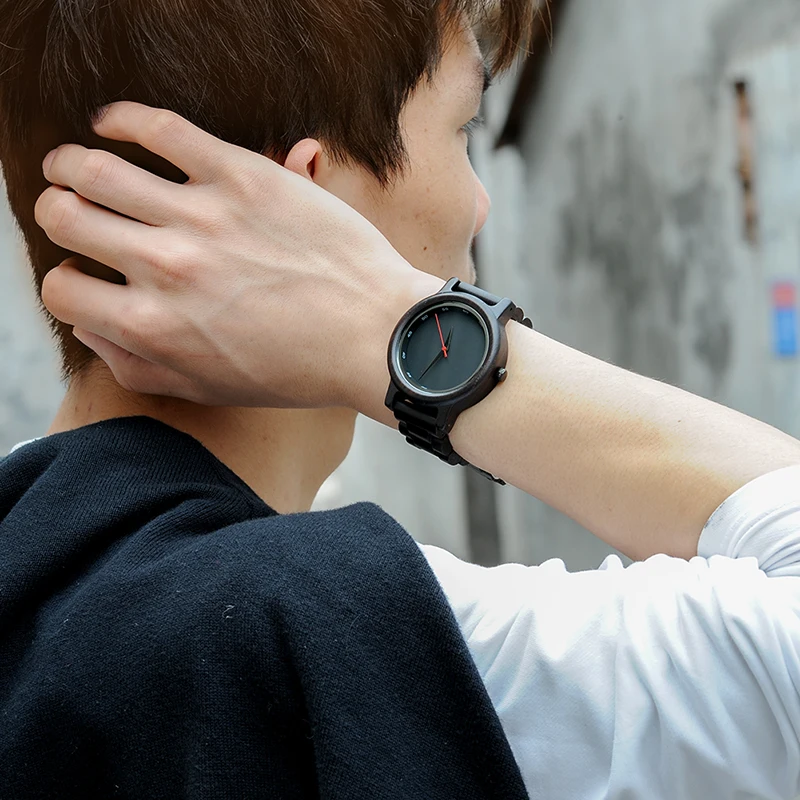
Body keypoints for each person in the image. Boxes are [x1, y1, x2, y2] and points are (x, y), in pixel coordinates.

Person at [4, 4, 800, 800]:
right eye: (462, 128)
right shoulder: (350, 650)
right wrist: (392, 327)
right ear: (299, 201)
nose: (480, 205)